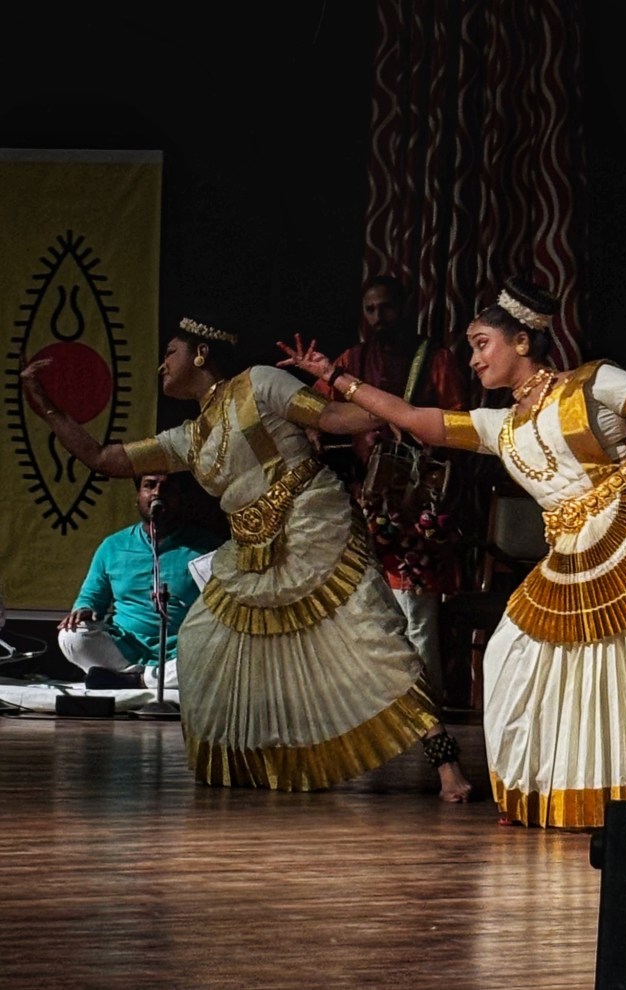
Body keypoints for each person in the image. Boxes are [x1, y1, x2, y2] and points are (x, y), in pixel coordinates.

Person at [277, 275, 626, 828]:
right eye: (470, 348)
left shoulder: (594, 382)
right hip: (574, 553)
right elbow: (420, 422)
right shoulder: (500, 426)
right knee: (515, 652)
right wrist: (337, 377)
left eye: (482, 343)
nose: (474, 359)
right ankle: (546, 790)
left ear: (523, 343)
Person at [20, 315, 472, 801]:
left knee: (372, 635)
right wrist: (46, 407)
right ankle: (265, 764)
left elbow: (335, 419)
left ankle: (445, 762)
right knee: (200, 640)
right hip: (251, 550)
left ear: (200, 354)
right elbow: (104, 458)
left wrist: (376, 401)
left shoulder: (260, 382)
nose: (161, 366)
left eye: (170, 353)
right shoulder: (189, 437)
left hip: (311, 526)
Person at [308, 275, 470, 702]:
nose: (380, 318)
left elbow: (455, 428)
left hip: (417, 509)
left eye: (387, 308)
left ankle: (422, 708)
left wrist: (409, 433)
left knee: (415, 612)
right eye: (371, 310)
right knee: (362, 607)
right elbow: (313, 410)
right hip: (362, 505)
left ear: (407, 308)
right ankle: (369, 705)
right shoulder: (352, 360)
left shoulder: (434, 360)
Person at [57, 472, 222, 691]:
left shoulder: (208, 548)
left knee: (223, 649)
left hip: (185, 649)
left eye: (166, 488)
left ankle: (133, 681)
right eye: (149, 485)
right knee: (71, 636)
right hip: (125, 647)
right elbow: (90, 598)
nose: (157, 493)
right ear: (138, 496)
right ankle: (151, 679)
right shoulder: (113, 546)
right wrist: (84, 609)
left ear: (180, 498)